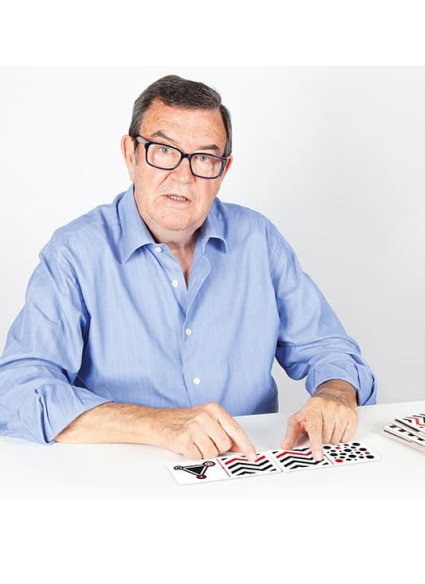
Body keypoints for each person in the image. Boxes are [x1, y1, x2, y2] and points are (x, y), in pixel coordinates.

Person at [0, 74, 376, 462]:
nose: (183, 176)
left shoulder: (258, 239)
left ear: (223, 170)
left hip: (248, 469)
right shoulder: (74, 253)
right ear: (131, 154)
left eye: (204, 158)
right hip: (123, 475)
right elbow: (17, 393)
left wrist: (335, 393)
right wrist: (156, 424)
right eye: (164, 150)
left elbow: (329, 348)